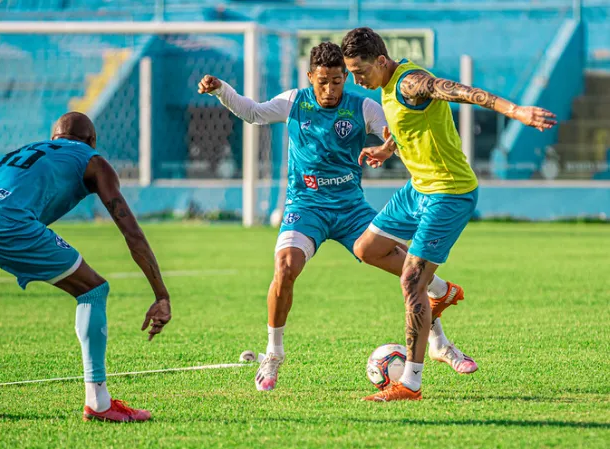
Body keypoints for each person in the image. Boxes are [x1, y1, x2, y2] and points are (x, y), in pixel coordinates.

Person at [198, 42, 472, 392]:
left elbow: (396, 132)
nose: (329, 90)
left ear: (346, 77)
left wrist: (389, 145)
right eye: (322, 81)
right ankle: (273, 354)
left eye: (337, 81)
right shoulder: (295, 101)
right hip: (306, 206)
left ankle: (440, 342)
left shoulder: (363, 106)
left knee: (408, 268)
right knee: (285, 266)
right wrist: (222, 89)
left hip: (350, 208)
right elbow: (252, 113)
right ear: (310, 76)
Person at [341, 27, 557, 401]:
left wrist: (515, 111)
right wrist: (388, 149)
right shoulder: (388, 89)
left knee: (410, 281)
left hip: (449, 193)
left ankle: (409, 382)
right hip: (417, 190)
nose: (357, 80)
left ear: (380, 61)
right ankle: (441, 290)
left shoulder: (411, 82)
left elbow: (461, 91)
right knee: (367, 249)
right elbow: (410, 123)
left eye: (360, 72)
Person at [0, 112, 172, 421]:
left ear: (54, 138)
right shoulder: (93, 160)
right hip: (4, 220)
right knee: (93, 290)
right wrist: (161, 294)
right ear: (92, 141)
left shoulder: (22, 151)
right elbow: (131, 232)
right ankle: (99, 403)